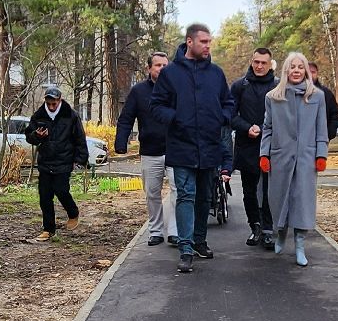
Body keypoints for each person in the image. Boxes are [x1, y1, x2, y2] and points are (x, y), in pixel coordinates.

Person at [149, 23, 236, 274]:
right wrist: (175, 118)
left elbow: (228, 103)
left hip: (208, 146)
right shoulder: (171, 74)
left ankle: (199, 241)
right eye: (204, 42)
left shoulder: (216, 74)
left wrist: (221, 117)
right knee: (185, 195)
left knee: (204, 197)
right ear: (190, 42)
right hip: (182, 146)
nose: (208, 46)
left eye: (210, 42)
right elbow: (157, 106)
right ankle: (186, 248)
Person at [260, 52, 329, 267]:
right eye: (293, 67)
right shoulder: (273, 97)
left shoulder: (316, 96)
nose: (297, 70)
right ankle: (281, 233)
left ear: (306, 71)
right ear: (286, 70)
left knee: (302, 202)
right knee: (279, 198)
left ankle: (300, 244)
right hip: (281, 156)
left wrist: (321, 154)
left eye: (301, 67)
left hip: (306, 158)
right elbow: (268, 127)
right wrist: (264, 153)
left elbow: (321, 128)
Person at [114, 52, 177, 244]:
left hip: (176, 150)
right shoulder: (138, 91)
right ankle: (156, 231)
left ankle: (175, 231)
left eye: (165, 65)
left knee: (178, 191)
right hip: (150, 151)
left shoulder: (177, 89)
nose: (162, 69)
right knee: (152, 193)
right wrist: (120, 142)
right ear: (149, 68)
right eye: (158, 65)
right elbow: (126, 118)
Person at [228, 47, 279, 248]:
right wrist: (247, 127)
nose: (259, 66)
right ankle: (255, 227)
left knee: (269, 191)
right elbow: (230, 116)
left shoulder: (278, 87)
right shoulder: (240, 86)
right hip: (247, 146)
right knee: (249, 191)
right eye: (256, 62)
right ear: (251, 61)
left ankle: (268, 229)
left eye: (263, 63)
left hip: (272, 148)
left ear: (270, 64)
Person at [26, 83, 89, 241]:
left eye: (54, 103)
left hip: (64, 160)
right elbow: (29, 136)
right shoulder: (39, 115)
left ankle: (73, 212)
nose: (51, 106)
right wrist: (37, 136)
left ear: (60, 100)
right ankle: (48, 229)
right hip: (46, 161)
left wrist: (80, 159)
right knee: (45, 196)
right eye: (49, 103)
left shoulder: (71, 115)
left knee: (61, 191)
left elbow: (79, 138)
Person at [307, 61, 338, 143]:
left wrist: (329, 133)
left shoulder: (326, 93)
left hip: (320, 140)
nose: (311, 75)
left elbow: (335, 114)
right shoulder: (296, 93)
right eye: (308, 72)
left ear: (317, 73)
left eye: (313, 72)